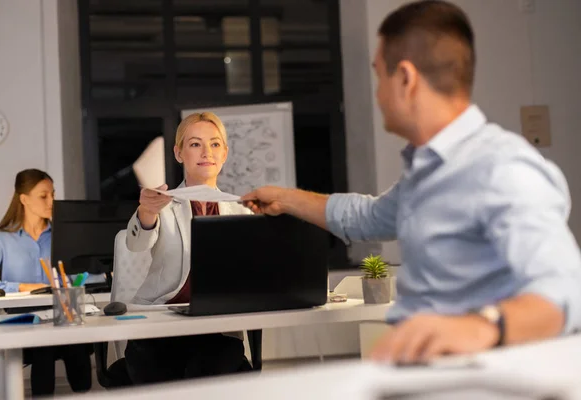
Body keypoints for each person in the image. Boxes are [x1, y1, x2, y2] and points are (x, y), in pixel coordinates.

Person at [242, 0, 581, 364]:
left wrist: (479, 328)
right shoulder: (427, 172)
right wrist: (286, 199)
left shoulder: (502, 168)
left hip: (475, 379)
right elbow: (366, 217)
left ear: (405, 78)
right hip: (421, 373)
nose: (377, 94)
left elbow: (565, 290)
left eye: (379, 76)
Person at [125, 112, 251, 384]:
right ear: (179, 153)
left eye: (215, 144)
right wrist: (147, 212)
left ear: (225, 153)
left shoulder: (241, 210)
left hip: (217, 329)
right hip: (160, 325)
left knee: (209, 370)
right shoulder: (163, 203)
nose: (207, 152)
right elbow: (136, 243)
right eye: (195, 144)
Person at [0, 169, 92, 396]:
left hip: (61, 316)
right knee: (45, 344)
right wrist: (20, 287)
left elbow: (89, 274)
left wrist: (75, 279)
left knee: (77, 341)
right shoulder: (3, 240)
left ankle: (87, 395)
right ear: (24, 199)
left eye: (53, 194)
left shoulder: (62, 236)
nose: (52, 201)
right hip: (23, 320)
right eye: (44, 196)